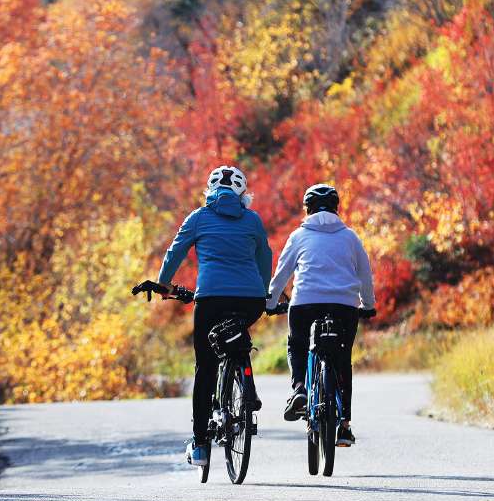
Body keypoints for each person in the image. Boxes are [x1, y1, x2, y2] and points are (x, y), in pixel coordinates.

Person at [157, 165, 272, 468]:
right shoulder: (253, 220)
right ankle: (246, 381)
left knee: (205, 366)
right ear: (242, 192)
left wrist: (164, 283)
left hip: (210, 300)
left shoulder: (198, 218)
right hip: (250, 301)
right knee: (236, 336)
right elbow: (265, 258)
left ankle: (199, 445)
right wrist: (263, 292)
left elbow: (175, 252)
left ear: (209, 190)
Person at [266, 183, 375, 447]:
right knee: (342, 360)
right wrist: (368, 305)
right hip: (344, 306)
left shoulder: (299, 236)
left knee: (297, 344)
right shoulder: (350, 237)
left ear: (307, 209)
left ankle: (300, 389)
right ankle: (345, 425)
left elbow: (282, 274)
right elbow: (365, 274)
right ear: (336, 208)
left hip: (306, 303)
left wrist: (270, 303)